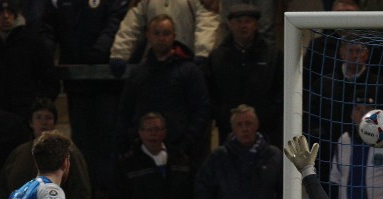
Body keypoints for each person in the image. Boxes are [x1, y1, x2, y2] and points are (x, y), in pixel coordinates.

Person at [38, 0, 129, 197]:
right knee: (81, 141)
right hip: (76, 83)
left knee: (108, 141)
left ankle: (108, 195)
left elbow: (116, 21)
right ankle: (86, 194)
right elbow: (48, 27)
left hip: (107, 81)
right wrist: (46, 54)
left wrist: (100, 51)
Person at [116, 14, 211, 171]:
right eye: (157, 33)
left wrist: (187, 143)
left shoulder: (189, 71)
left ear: (174, 36)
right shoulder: (139, 73)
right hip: (143, 153)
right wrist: (130, 140)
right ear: (148, 36)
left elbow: (201, 109)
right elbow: (125, 110)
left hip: (181, 153)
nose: (161, 38)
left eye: (166, 33)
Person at [204, 3, 283, 147]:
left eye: (248, 21)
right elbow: (211, 94)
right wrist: (224, 117)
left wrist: (263, 117)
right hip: (228, 131)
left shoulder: (273, 56)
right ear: (230, 24)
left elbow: (280, 92)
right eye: (238, 21)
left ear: (256, 24)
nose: (243, 26)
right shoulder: (217, 58)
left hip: (266, 131)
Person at [0, 98, 91, 199]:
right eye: (38, 117)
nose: (44, 122)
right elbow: (3, 189)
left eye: (48, 118)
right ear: (31, 122)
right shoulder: (18, 154)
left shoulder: (68, 152)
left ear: (54, 122)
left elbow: (81, 190)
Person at [0, 0, 60, 122]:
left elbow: (50, 80)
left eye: (9, 12)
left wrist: (37, 106)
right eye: (0, 13)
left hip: (27, 117)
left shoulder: (33, 43)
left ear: (16, 14)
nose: (5, 16)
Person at [194, 104, 282, 199]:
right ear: (233, 128)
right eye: (239, 125)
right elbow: (202, 191)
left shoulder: (274, 156)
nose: (245, 129)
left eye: (248, 123)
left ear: (257, 125)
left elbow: (285, 191)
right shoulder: (218, 157)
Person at [111, 112, 194, 199]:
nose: (153, 134)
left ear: (164, 132)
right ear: (140, 132)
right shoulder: (127, 164)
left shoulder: (181, 160)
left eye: (157, 129)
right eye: (148, 130)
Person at [108, 0, 221, 75]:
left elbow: (207, 22)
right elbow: (131, 24)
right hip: (153, 64)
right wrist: (119, 54)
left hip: (186, 63)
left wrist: (203, 54)